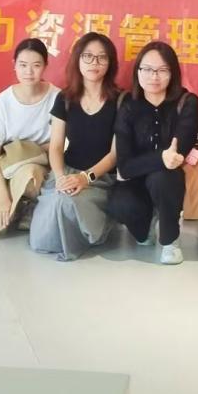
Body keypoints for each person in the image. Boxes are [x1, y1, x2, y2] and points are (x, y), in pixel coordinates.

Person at [108, 41, 198, 264]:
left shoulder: (187, 102)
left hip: (169, 179)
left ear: (173, 73)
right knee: (119, 203)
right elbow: (125, 167)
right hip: (134, 180)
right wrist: (160, 157)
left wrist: (163, 161)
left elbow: (178, 154)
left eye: (162, 70)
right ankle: (145, 227)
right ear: (138, 71)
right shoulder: (127, 103)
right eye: (147, 69)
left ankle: (170, 241)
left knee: (163, 177)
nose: (154, 77)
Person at [29, 33, 120, 260]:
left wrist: (85, 178)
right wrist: (61, 177)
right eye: (88, 56)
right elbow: (56, 146)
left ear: (110, 63)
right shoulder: (65, 98)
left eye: (101, 57)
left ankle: (98, 228)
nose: (94, 63)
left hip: (99, 178)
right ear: (77, 59)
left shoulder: (120, 100)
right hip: (67, 171)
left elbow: (114, 154)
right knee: (47, 222)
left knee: (68, 203)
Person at [0, 38, 60, 239]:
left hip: (37, 165)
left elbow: (62, 143)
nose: (29, 72)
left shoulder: (57, 97)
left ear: (45, 66)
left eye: (36, 65)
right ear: (14, 65)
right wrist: (3, 196)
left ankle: (29, 205)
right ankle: (11, 200)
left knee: (30, 174)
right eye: (23, 65)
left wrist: (33, 149)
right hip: (4, 165)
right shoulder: (3, 102)